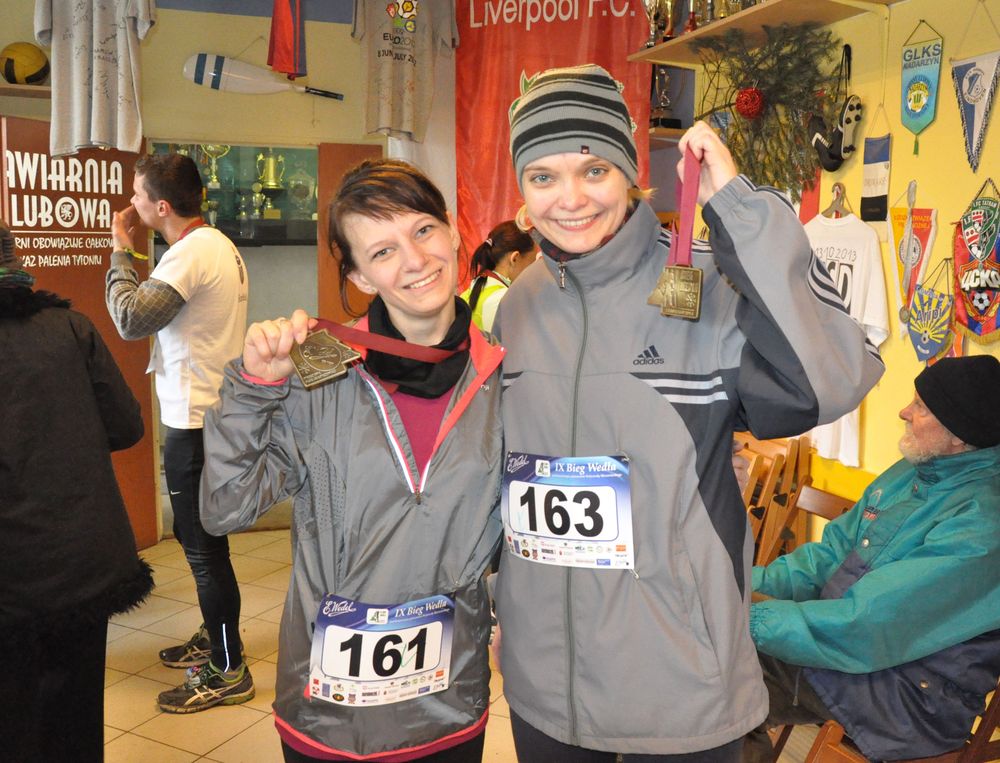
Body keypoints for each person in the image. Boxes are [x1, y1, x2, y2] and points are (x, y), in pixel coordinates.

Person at [492, 64, 885, 761]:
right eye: (543, 176)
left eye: (593, 170)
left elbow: (833, 379)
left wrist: (740, 209)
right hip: (545, 686)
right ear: (523, 191)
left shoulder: (709, 284)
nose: (570, 199)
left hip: (679, 684)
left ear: (631, 174)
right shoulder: (519, 305)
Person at [199, 158, 505, 762]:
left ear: (453, 232)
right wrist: (254, 390)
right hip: (329, 711)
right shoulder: (320, 370)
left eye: (423, 230)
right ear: (360, 275)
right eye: (383, 251)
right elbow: (226, 509)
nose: (415, 260)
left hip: (448, 703)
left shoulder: (503, 374)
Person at [745, 355, 1000, 762]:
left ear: (959, 435)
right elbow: (827, 558)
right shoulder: (912, 472)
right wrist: (739, 586)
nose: (904, 411)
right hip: (860, 653)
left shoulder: (982, 521)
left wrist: (747, 619)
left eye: (921, 407)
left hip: (913, 691)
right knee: (713, 662)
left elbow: (871, 620)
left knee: (725, 678)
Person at [0, 219, 153, 761]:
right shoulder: (71, 327)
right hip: (81, 559)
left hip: (11, 571)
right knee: (75, 714)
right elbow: (127, 426)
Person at [105, 153, 253, 712]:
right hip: (207, 416)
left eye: (138, 196)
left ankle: (228, 668)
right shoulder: (211, 244)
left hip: (196, 423)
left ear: (161, 206)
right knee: (206, 545)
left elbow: (129, 318)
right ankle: (216, 638)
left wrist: (120, 249)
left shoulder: (192, 253)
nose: (132, 203)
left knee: (202, 551)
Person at [460, 220, 536, 332]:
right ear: (515, 258)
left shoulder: (474, 287)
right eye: (532, 263)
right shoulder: (505, 300)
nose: (533, 272)